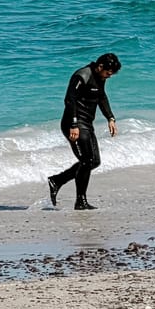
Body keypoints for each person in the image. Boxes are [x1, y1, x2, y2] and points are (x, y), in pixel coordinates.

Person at [48, 53, 120, 210]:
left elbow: (101, 97)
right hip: (73, 123)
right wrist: (74, 124)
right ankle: (80, 201)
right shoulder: (82, 75)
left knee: (94, 161)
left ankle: (57, 180)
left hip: (87, 123)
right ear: (100, 67)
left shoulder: (100, 77)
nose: (109, 76)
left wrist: (110, 118)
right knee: (87, 161)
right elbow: (70, 99)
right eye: (108, 73)